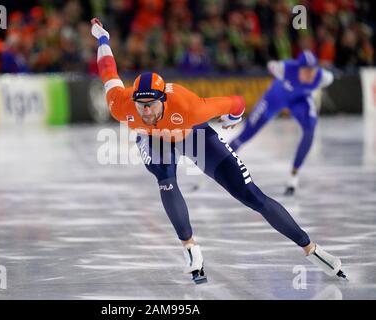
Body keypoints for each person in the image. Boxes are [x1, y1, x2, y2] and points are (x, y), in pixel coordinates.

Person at [90, 18, 346, 283]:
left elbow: (237, 102)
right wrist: (103, 38)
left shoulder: (190, 107)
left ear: (163, 100)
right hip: (153, 140)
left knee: (250, 194)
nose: (145, 111)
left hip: (193, 134)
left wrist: (233, 119)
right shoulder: (121, 105)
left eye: (150, 105)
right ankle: (190, 248)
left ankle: (311, 249)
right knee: (165, 177)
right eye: (140, 105)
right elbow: (108, 71)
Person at [229, 50, 334, 195]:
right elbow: (270, 65)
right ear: (298, 68)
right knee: (246, 134)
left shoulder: (324, 77)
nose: (310, 74)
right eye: (306, 71)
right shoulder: (285, 68)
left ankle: (293, 177)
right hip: (275, 98)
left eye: (313, 71)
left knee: (310, 129)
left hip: (299, 101)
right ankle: (221, 158)